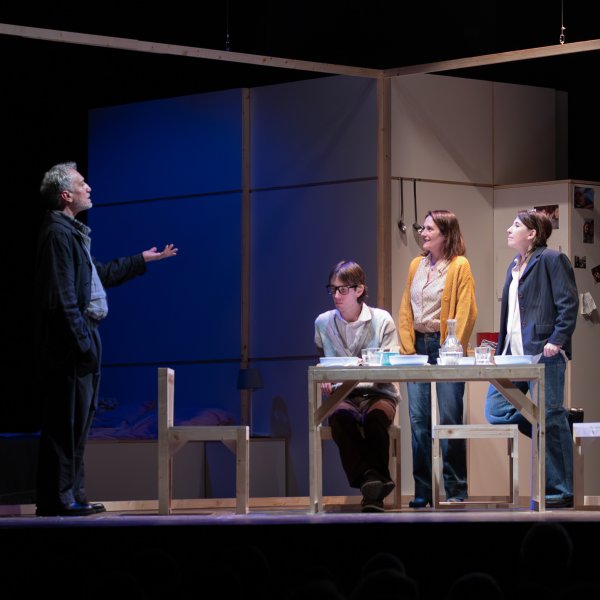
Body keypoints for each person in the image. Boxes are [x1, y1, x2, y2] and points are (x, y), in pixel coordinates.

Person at [34, 161, 178, 516]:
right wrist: (81, 343)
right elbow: (62, 297)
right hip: (70, 341)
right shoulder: (57, 234)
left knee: (80, 419)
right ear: (65, 195)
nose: (89, 187)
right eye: (82, 183)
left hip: (82, 336)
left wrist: (140, 260)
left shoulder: (72, 233)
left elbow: (97, 275)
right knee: (66, 421)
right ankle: (58, 498)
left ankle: (73, 494)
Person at [484, 210, 578, 509]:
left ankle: (560, 491)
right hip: (513, 355)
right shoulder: (514, 265)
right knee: (495, 410)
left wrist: (556, 340)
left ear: (533, 233)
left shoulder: (551, 259)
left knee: (548, 417)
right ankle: (556, 426)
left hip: (543, 353)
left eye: (516, 225)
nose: (509, 230)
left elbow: (568, 303)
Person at [398, 209, 477, 507]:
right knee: (418, 419)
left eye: (430, 229)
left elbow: (466, 310)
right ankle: (423, 491)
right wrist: (407, 346)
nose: (424, 233)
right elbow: (406, 307)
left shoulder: (459, 265)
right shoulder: (416, 264)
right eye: (423, 228)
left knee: (450, 417)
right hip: (417, 346)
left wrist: (452, 347)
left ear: (446, 234)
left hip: (446, 347)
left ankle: (455, 489)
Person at [314, 260, 401, 512]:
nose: (336, 296)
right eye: (332, 289)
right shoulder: (323, 322)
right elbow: (322, 359)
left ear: (359, 290)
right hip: (343, 395)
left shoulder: (381, 320)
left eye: (342, 290)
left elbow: (390, 363)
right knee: (341, 420)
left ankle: (371, 484)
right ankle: (373, 481)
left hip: (378, 392)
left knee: (375, 420)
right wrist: (325, 375)